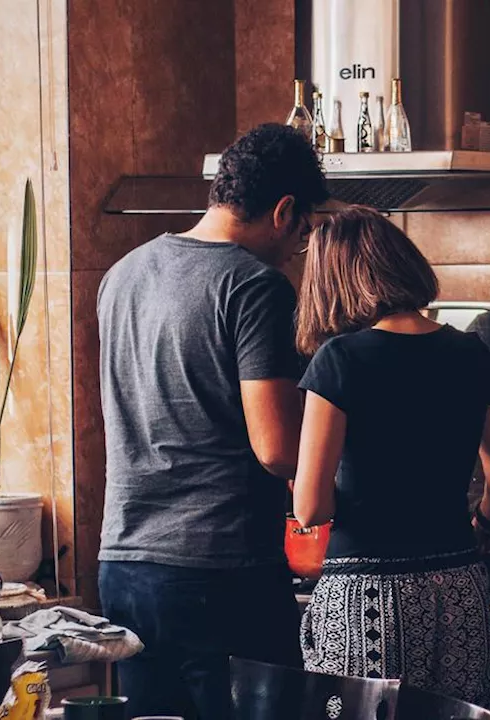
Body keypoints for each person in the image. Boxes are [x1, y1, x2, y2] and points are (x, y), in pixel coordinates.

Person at [96, 123, 328, 719]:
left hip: (124, 565)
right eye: (302, 235)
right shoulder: (255, 286)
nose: (295, 251)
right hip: (221, 572)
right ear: (284, 211)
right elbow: (277, 449)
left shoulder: (122, 275)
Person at [291, 206, 490, 710]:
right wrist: (483, 524)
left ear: (332, 281)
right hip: (458, 586)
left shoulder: (340, 360)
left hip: (366, 596)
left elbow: (310, 508)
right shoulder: (470, 352)